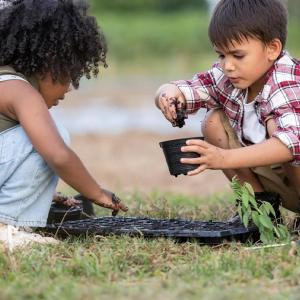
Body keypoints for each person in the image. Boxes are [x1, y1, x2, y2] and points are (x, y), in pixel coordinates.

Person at [0, 0, 128, 250]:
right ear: (50, 61)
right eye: (71, 72)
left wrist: (38, 195)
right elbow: (58, 156)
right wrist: (97, 192)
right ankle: (6, 228)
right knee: (51, 136)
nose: (70, 87)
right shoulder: (20, 92)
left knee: (38, 138)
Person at [155, 0, 300, 219]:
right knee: (213, 121)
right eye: (222, 55)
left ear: (272, 49)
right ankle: (258, 210)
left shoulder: (286, 82)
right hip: (284, 183)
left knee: (277, 128)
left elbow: (292, 144)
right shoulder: (229, 77)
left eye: (237, 55)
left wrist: (222, 158)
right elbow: (190, 88)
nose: (228, 65)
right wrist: (167, 95)